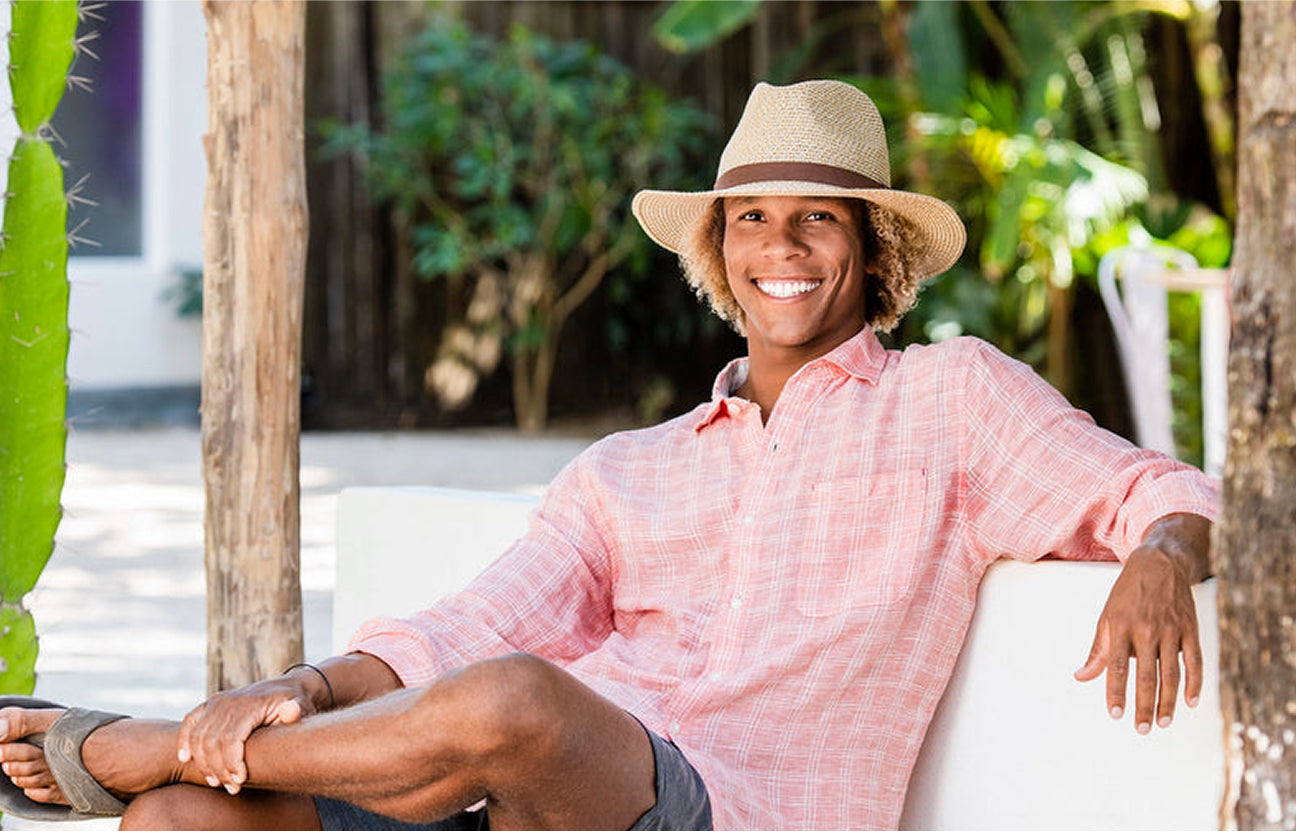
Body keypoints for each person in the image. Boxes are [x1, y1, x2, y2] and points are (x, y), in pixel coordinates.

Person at [0, 79, 1216, 830]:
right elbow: (461, 628)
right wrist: (306, 689)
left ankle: (153, 738)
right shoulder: (629, 469)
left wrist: (1162, 551)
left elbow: (1161, 489)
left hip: (733, 814)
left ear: (873, 248)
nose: (780, 248)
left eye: (817, 218)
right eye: (752, 218)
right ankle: (170, 762)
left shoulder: (951, 400)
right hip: (521, 802)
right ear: (719, 249)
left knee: (518, 698)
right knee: (180, 820)